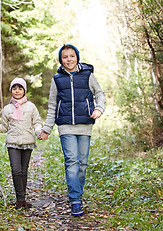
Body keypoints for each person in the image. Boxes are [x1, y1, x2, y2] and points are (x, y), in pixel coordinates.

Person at [39, 44, 105, 217]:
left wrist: (99, 108)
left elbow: (100, 93)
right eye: (65, 57)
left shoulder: (88, 75)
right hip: (65, 126)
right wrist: (47, 128)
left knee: (82, 164)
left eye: (71, 56)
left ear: (77, 57)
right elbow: (53, 105)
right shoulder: (57, 79)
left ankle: (77, 193)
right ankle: (75, 200)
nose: (69, 59)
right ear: (61, 60)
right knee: (72, 162)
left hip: (85, 124)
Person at [0, 78, 43, 209]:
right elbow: (4, 127)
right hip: (13, 143)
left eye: (20, 88)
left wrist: (39, 131)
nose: (17, 91)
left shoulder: (31, 107)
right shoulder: (7, 109)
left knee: (23, 171)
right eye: (14, 88)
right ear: (11, 90)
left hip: (27, 142)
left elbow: (37, 122)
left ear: (24, 91)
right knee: (16, 170)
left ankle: (23, 200)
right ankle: (19, 199)